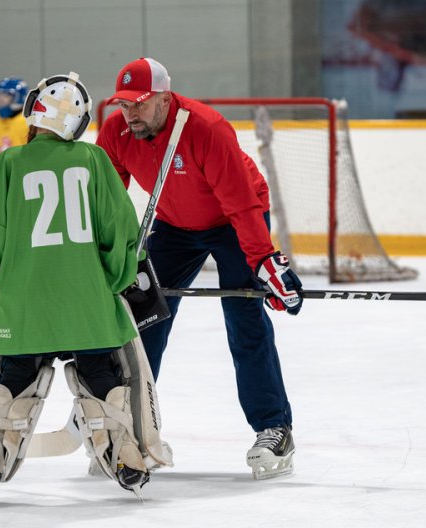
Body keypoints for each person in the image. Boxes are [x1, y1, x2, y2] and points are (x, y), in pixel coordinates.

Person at [0, 71, 164, 502]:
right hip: (88, 306)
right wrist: (113, 282)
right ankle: (126, 453)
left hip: (24, 308)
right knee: (104, 373)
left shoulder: (7, 164)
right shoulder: (94, 160)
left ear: (34, 111)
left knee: (12, 375)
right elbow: (121, 235)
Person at [95, 57, 303, 480]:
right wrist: (101, 260)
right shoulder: (116, 132)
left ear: (165, 99)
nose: (130, 114)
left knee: (244, 315)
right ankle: (130, 427)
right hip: (174, 224)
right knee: (140, 318)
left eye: (141, 104)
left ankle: (274, 427)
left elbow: (243, 205)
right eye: (125, 104)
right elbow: (106, 204)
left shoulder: (206, 128)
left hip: (232, 220)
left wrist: (263, 261)